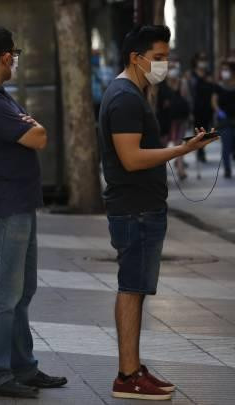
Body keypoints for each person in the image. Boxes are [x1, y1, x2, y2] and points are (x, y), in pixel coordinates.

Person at [98, 25, 216, 401]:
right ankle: (127, 374)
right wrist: (181, 151)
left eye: (167, 57)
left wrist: (184, 145)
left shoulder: (132, 93)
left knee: (136, 288)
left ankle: (132, 367)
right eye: (159, 58)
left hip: (140, 207)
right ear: (137, 58)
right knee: (132, 288)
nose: (165, 65)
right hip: (135, 210)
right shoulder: (125, 97)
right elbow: (131, 159)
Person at [0, 26, 67, 399]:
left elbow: (32, 131)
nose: (15, 61)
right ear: (6, 57)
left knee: (21, 292)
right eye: (14, 55)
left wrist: (30, 125)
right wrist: (32, 125)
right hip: (4, 205)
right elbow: (38, 136)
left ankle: (23, 366)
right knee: (1, 294)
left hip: (17, 202)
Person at [156, 59, 191, 179]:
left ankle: (180, 169)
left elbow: (185, 99)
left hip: (180, 119)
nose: (172, 70)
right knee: (164, 146)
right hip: (166, 120)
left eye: (174, 67)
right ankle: (162, 172)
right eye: (169, 67)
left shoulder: (182, 82)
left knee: (180, 145)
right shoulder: (161, 85)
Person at [190, 52, 215, 163]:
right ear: (196, 61)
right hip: (196, 108)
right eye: (201, 59)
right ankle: (200, 152)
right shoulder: (191, 75)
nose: (203, 62)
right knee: (198, 131)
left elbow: (214, 89)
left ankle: (202, 149)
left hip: (208, 108)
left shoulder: (209, 75)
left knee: (207, 131)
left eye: (204, 59)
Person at [213, 61, 235, 178]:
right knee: (226, 145)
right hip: (224, 121)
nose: (224, 72)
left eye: (226, 69)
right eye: (223, 70)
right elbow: (214, 100)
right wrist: (218, 111)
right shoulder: (219, 86)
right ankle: (227, 169)